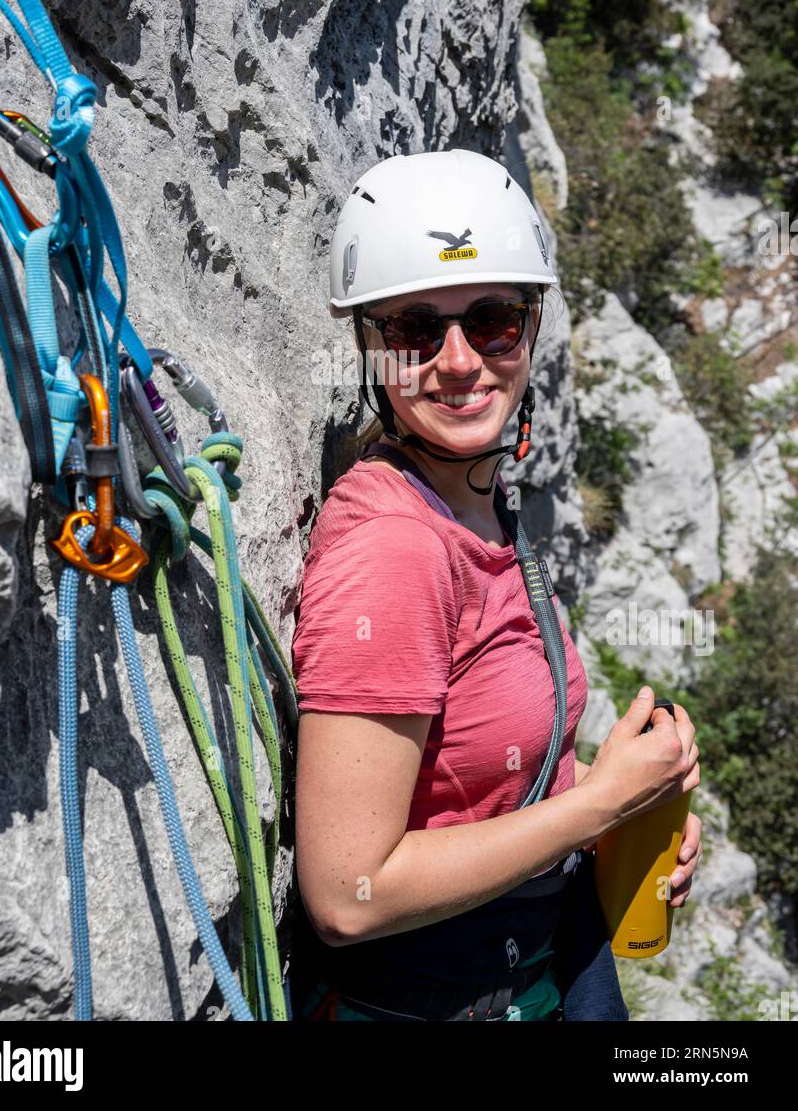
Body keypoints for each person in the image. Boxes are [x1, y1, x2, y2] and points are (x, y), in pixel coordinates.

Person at [288, 148, 702, 1022]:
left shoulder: (474, 504)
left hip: (535, 966)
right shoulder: (396, 550)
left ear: (531, 326)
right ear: (370, 344)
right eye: (412, 329)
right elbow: (349, 896)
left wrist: (615, 802)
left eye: (493, 321)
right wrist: (598, 806)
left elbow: (477, 775)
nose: (458, 361)